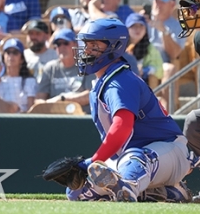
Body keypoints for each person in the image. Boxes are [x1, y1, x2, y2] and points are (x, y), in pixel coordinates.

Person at [67, 18, 191, 202]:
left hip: (169, 150)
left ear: (113, 46)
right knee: (77, 192)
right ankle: (166, 192)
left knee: (135, 160)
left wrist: (93, 161)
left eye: (93, 44)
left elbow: (122, 127)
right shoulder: (103, 81)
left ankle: (130, 187)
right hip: (130, 156)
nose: (86, 50)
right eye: (85, 43)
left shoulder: (120, 80)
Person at [35, 29, 94, 111]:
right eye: (58, 44)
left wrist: (62, 99)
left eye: (65, 43)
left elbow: (90, 95)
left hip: (82, 118)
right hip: (55, 117)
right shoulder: (50, 68)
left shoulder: (87, 66)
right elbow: (39, 99)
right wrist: (48, 104)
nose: (61, 47)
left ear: (76, 45)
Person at [149, 0, 185, 111]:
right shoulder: (141, 21)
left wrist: (164, 31)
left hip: (162, 64)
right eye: (155, 0)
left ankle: (165, 115)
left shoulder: (178, 26)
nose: (158, 4)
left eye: (162, 1)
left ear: (172, 5)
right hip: (141, 62)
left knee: (170, 69)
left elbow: (174, 54)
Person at [0, 38, 37, 113]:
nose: (11, 55)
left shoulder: (30, 81)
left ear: (22, 59)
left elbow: (31, 110)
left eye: (15, 52)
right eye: (8, 52)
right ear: (3, 57)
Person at [126, 13, 163, 88]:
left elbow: (159, 70)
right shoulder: (121, 46)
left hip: (143, 81)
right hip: (124, 78)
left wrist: (144, 70)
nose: (138, 29)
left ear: (146, 29)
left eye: (141, 26)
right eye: (133, 26)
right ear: (127, 29)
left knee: (152, 77)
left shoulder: (150, 48)